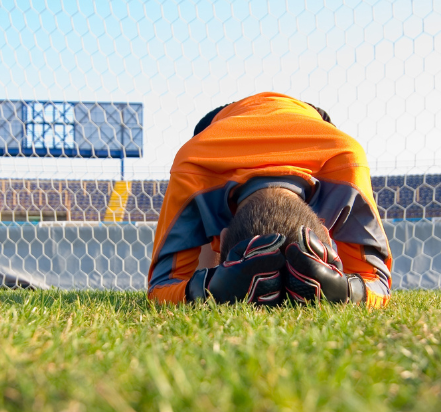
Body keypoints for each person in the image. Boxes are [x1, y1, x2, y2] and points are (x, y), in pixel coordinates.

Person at [147, 92, 392, 308]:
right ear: (327, 238)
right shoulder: (193, 163)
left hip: (302, 122)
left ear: (221, 239)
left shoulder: (346, 157)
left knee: (197, 237)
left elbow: (161, 287)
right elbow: (378, 282)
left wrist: (212, 287)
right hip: (224, 125)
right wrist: (345, 289)